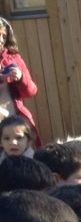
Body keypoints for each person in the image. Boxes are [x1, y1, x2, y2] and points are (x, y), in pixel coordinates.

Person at [0, 17, 39, 147]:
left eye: (3, 36)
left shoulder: (14, 59)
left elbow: (31, 91)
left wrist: (20, 78)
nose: (0, 40)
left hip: (14, 121)